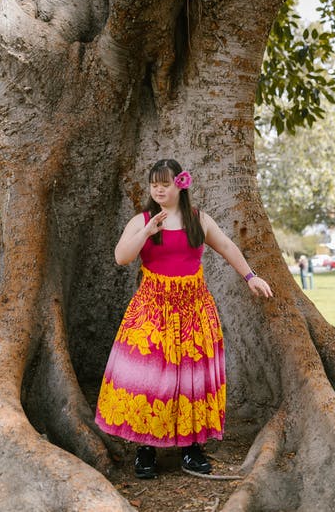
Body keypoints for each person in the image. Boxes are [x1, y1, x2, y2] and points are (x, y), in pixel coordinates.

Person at [95, 159, 273, 479]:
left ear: (180, 184)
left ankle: (191, 448)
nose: (158, 189)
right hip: (152, 309)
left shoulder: (198, 220)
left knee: (191, 378)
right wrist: (148, 231)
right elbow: (122, 257)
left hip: (194, 309)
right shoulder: (143, 220)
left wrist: (250, 277)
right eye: (154, 184)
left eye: (165, 183)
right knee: (149, 378)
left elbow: (227, 246)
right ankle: (146, 449)